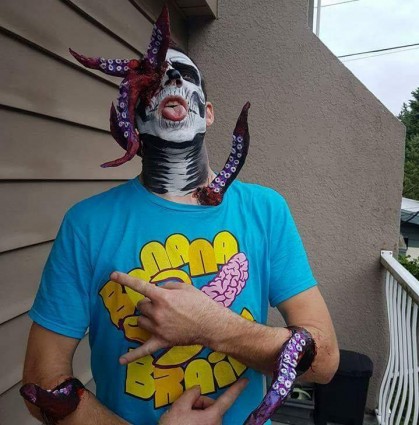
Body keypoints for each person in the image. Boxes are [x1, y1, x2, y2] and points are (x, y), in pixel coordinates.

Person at [22, 9, 339, 425]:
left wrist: (212, 327)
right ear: (135, 117)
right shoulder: (87, 225)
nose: (171, 80)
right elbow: (42, 384)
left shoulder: (266, 211)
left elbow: (324, 362)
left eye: (185, 77)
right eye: (153, 84)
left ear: (208, 112)